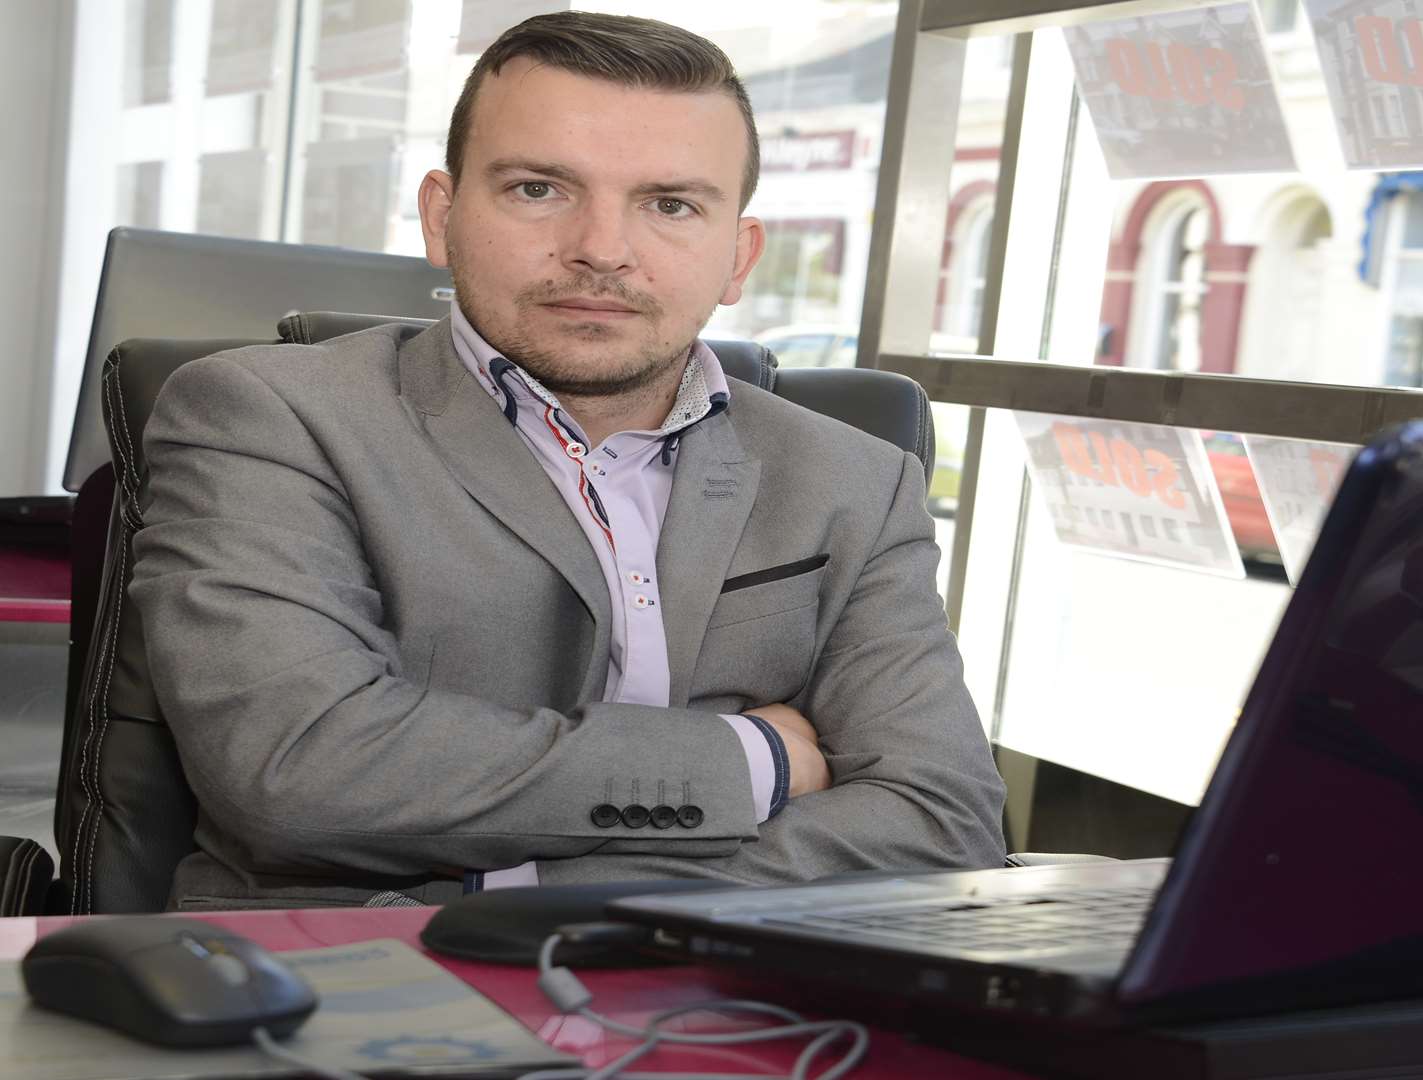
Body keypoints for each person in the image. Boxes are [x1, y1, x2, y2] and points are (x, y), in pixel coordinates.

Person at [128, 12, 1006, 909]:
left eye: (670, 205)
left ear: (736, 256)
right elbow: (296, 770)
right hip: (347, 984)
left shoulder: (854, 479)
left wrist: (541, 892)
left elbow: (942, 819)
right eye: (539, 189)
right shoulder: (269, 416)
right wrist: (758, 758)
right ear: (443, 217)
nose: (602, 250)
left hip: (735, 990)